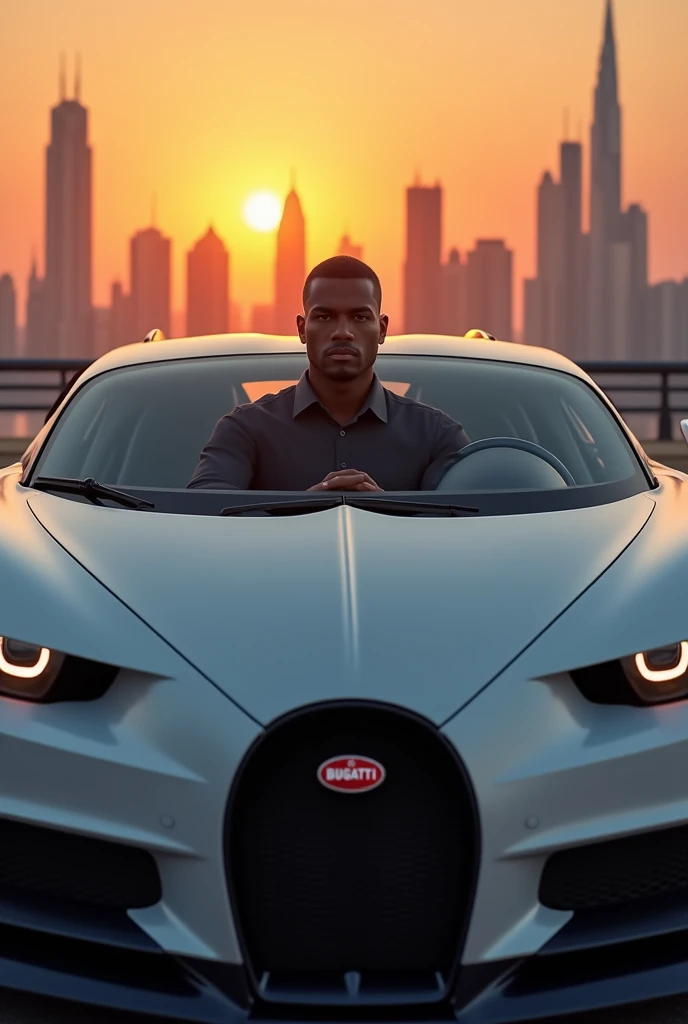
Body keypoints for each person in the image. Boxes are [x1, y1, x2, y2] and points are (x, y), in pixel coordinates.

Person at [188, 256, 469, 492]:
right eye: (324, 317)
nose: (342, 332)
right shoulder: (245, 430)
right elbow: (202, 516)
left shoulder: (436, 436)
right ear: (302, 329)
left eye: (360, 317)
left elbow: (468, 526)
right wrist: (305, 511)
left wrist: (387, 512)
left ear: (382, 329)